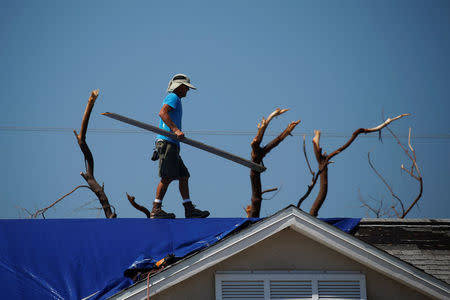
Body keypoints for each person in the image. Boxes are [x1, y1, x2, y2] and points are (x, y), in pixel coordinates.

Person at [151, 74, 210, 219]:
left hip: (172, 144)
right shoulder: (173, 97)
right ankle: (156, 209)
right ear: (179, 87)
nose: (187, 91)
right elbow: (162, 113)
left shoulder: (176, 99)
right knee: (167, 176)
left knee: (184, 175)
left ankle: (189, 209)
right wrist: (176, 130)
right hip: (167, 142)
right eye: (186, 88)